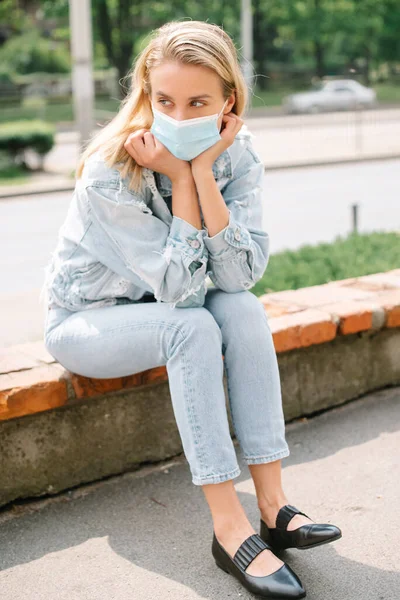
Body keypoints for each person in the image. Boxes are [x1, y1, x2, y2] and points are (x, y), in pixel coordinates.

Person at [41, 20, 341, 599]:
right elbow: (182, 293)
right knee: (193, 325)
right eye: (165, 100)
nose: (178, 116)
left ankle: (274, 505)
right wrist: (180, 178)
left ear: (229, 101)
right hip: (88, 325)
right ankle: (229, 526)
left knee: (243, 309)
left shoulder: (238, 157)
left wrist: (200, 172)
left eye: (198, 101)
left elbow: (238, 276)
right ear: (146, 96)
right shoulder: (111, 170)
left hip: (167, 307)